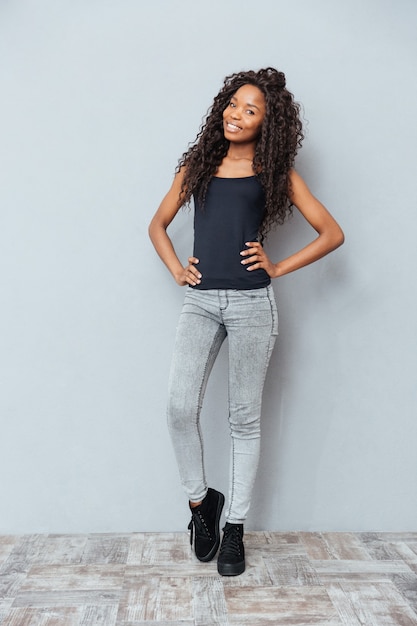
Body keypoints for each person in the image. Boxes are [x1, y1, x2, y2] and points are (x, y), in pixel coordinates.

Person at [148, 67, 344, 576]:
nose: (237, 114)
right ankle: (201, 507)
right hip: (201, 301)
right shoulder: (198, 164)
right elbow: (157, 223)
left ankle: (234, 527)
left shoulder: (275, 172)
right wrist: (176, 267)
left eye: (250, 110)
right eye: (234, 104)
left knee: (243, 419)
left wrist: (277, 266)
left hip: (254, 305)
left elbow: (331, 233)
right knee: (176, 406)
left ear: (267, 123)